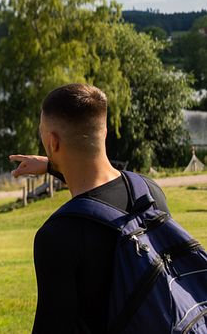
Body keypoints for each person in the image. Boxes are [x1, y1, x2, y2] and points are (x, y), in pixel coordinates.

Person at [10, 83, 169, 334]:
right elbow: (101, 195)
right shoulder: (148, 192)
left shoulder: (57, 236)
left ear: (52, 142)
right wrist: (52, 165)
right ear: (103, 130)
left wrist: (54, 162)